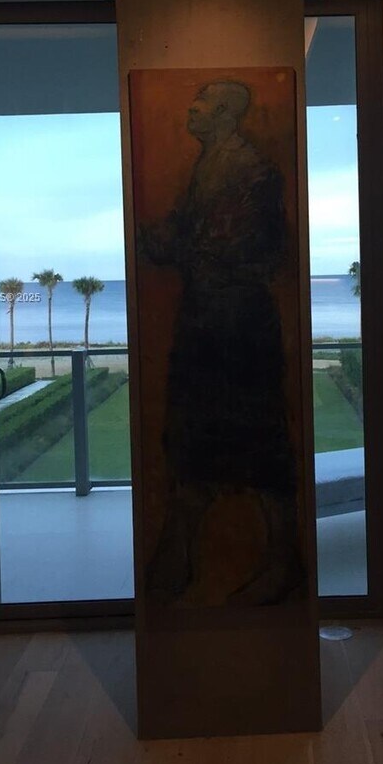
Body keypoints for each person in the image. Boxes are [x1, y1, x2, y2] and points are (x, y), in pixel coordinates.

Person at [139, 80, 302, 606]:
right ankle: (179, 553)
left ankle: (283, 563)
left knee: (259, 445)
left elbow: (245, 247)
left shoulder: (253, 171)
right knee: (191, 438)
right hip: (205, 324)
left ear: (227, 112)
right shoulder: (209, 166)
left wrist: (180, 244)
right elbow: (190, 237)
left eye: (203, 100)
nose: (192, 106)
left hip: (239, 330)